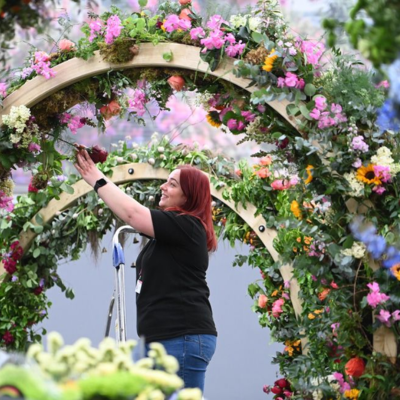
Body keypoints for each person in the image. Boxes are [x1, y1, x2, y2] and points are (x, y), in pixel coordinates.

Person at [74, 148, 218, 393]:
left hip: (180, 338)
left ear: (188, 196)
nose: (163, 187)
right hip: (162, 340)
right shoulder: (170, 234)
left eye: (172, 184)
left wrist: (96, 179)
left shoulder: (189, 227)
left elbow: (132, 213)